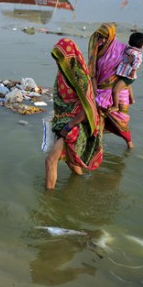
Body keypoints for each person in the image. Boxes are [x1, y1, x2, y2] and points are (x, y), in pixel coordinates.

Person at [45, 38, 103, 190]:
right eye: (55, 58)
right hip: (64, 121)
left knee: (51, 161)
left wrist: (69, 126)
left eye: (60, 58)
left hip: (78, 123)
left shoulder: (80, 77)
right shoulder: (62, 74)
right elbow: (61, 101)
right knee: (69, 160)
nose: (58, 62)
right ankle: (84, 182)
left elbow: (88, 107)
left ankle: (47, 202)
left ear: (69, 57)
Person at [87, 23, 133, 148]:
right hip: (101, 91)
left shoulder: (124, 49)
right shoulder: (97, 50)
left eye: (105, 38)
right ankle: (97, 147)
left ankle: (130, 145)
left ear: (112, 36)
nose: (102, 40)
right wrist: (95, 91)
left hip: (119, 93)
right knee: (97, 120)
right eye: (100, 37)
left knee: (121, 123)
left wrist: (129, 93)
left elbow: (129, 71)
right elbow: (93, 73)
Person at [111, 32, 143, 113]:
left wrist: (133, 70)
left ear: (130, 41)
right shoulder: (136, 51)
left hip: (127, 76)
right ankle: (132, 99)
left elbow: (138, 62)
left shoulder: (132, 52)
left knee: (115, 90)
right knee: (128, 86)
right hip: (128, 76)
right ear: (142, 44)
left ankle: (115, 106)